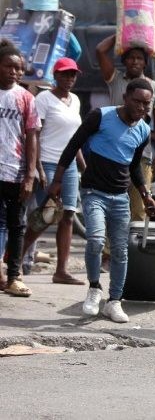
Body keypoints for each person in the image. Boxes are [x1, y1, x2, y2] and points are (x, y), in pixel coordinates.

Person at [48, 79, 155, 323]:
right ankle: (94, 288)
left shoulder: (143, 131)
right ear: (125, 98)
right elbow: (72, 145)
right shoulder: (100, 116)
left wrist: (145, 193)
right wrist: (57, 179)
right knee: (96, 240)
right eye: (137, 101)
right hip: (94, 192)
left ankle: (114, 301)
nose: (141, 107)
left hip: (120, 197)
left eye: (146, 104)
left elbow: (134, 166)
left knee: (120, 250)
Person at [20, 57, 86, 286]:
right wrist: (37, 168)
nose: (69, 78)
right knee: (46, 216)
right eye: (65, 74)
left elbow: (74, 138)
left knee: (67, 215)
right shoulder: (44, 99)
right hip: (47, 162)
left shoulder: (75, 100)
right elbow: (34, 135)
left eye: (73, 75)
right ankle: (14, 260)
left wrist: (83, 163)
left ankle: (61, 271)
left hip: (68, 166)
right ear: (55, 76)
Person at [96, 34, 155, 222]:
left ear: (145, 63)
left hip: (142, 156)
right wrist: (124, 31)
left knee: (139, 209)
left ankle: (134, 251)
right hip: (113, 154)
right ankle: (109, 251)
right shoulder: (115, 79)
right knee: (112, 207)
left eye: (139, 58)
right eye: (131, 57)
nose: (135, 61)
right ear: (124, 61)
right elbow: (100, 50)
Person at [0, 40, 40, 297]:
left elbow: (32, 136)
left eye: (18, 68)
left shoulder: (26, 98)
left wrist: (30, 174)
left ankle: (14, 276)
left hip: (15, 171)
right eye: (8, 66)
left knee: (17, 225)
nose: (14, 72)